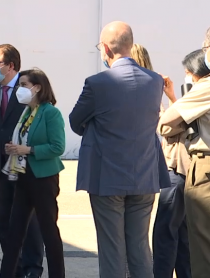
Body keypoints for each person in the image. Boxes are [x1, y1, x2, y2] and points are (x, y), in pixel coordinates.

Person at [69, 21, 170, 278]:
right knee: (139, 248)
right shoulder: (154, 81)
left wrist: (95, 128)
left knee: (112, 249)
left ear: (105, 48)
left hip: (108, 177)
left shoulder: (97, 83)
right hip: (145, 174)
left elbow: (75, 121)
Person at [131, 43, 191, 278]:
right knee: (181, 231)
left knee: (165, 230)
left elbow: (166, 125)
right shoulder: (157, 90)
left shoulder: (145, 90)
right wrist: (172, 97)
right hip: (177, 168)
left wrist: (170, 98)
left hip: (173, 168)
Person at [0, 68, 66, 278]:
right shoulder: (26, 112)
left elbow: (57, 147)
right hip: (24, 176)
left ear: (37, 88)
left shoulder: (50, 112)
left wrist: (28, 150)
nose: (20, 89)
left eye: (24, 85)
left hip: (43, 178)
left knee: (48, 231)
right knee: (15, 231)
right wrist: (13, 147)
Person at [0, 44, 44, 278]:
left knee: (29, 220)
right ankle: (13, 269)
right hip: (1, 164)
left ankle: (32, 269)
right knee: (5, 219)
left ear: (11, 66)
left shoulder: (27, 89)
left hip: (25, 165)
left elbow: (40, 122)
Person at [159, 49, 210, 278]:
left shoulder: (204, 87)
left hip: (195, 167)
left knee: (194, 241)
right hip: (188, 167)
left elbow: (166, 122)